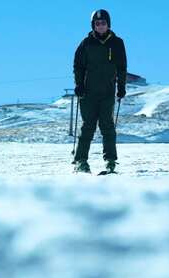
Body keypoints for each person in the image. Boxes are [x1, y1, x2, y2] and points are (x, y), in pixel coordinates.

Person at [72, 9, 127, 173]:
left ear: (108, 24)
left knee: (107, 126)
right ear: (93, 25)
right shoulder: (86, 43)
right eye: (97, 23)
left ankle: (110, 161)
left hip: (107, 92)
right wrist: (79, 84)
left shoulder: (117, 43)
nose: (100, 26)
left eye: (103, 23)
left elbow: (122, 67)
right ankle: (81, 161)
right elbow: (78, 66)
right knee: (88, 126)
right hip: (88, 92)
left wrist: (121, 87)